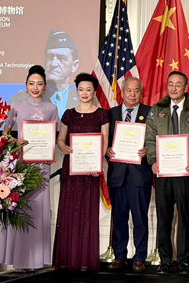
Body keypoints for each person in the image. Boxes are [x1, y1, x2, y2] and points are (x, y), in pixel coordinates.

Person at [145, 71, 189, 276]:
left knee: (184, 216)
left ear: (185, 87)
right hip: (163, 171)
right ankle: (165, 260)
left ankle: (183, 261)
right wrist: (153, 160)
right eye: (170, 84)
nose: (173, 88)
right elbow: (149, 139)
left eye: (178, 84)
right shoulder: (156, 110)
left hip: (186, 171)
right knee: (164, 216)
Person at [0, 65, 59, 270]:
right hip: (21, 164)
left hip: (42, 165)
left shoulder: (51, 108)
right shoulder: (16, 106)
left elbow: (53, 136)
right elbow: (5, 135)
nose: (35, 87)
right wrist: (15, 141)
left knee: (39, 210)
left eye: (39, 84)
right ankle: (18, 259)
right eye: (31, 83)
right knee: (19, 208)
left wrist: (49, 152)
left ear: (45, 86)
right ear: (26, 85)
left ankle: (36, 260)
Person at [53, 73, 109, 271]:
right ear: (76, 91)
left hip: (90, 171)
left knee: (87, 214)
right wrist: (64, 147)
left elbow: (104, 142)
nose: (84, 93)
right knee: (68, 213)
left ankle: (85, 260)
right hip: (71, 169)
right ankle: (66, 260)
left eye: (88, 89)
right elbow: (61, 139)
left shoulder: (102, 114)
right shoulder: (69, 114)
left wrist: (97, 164)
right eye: (81, 89)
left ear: (94, 92)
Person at [105, 77, 152, 273]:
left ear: (141, 93)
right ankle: (120, 256)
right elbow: (104, 141)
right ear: (122, 93)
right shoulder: (111, 114)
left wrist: (149, 150)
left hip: (139, 174)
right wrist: (107, 150)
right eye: (129, 90)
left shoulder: (150, 113)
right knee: (119, 217)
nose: (132, 94)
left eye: (136, 91)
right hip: (117, 174)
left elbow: (156, 139)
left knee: (140, 219)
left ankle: (139, 258)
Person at [9, 29, 80, 118]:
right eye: (50, 57)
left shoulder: (82, 98)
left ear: (74, 65)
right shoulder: (19, 99)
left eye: (61, 58)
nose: (54, 64)